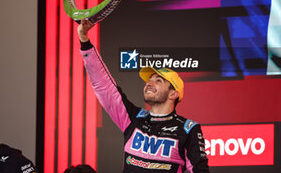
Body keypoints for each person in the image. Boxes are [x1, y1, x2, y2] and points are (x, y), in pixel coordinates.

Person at [78, 20, 210, 173]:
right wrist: (84, 41)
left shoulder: (188, 129)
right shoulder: (133, 118)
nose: (149, 83)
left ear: (173, 94)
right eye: (149, 80)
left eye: (158, 80)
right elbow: (104, 87)